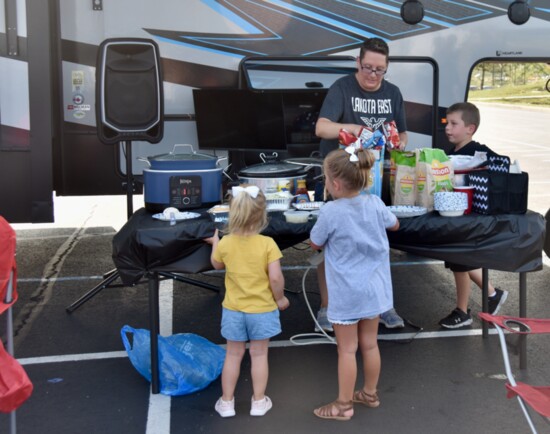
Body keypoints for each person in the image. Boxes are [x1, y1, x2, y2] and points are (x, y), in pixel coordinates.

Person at [314, 37, 408, 331]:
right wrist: (351, 127)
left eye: (379, 70)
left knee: (377, 244)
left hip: (375, 177)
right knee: (331, 245)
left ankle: (383, 305)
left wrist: (399, 143)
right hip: (341, 178)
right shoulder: (342, 87)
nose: (372, 75)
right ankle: (328, 307)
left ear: (386, 67)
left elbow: (403, 134)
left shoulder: (393, 93)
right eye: (368, 67)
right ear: (358, 62)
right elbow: (321, 127)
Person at [309, 147, 399, 420]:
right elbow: (394, 224)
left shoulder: (330, 212)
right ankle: (369, 394)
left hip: (347, 293)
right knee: (370, 344)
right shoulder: (374, 203)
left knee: (347, 349)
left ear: (335, 184)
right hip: (374, 290)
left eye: (325, 179)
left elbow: (315, 242)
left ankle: (343, 405)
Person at [204, 184, 290, 417]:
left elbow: (217, 264)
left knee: (233, 355)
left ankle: (227, 402)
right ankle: (259, 402)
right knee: (259, 355)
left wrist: (215, 245)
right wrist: (280, 298)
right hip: (262, 310)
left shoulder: (227, 242)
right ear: (262, 215)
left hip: (233, 310)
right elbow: (275, 277)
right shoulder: (267, 244)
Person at [439, 102, 508, 329]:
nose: (448, 128)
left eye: (453, 124)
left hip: (473, 217)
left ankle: (471, 305)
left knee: (460, 259)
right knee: (458, 261)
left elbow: (503, 169)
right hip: (457, 214)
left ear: (470, 128)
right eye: (446, 123)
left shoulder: (480, 152)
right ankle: (482, 298)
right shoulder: (451, 153)